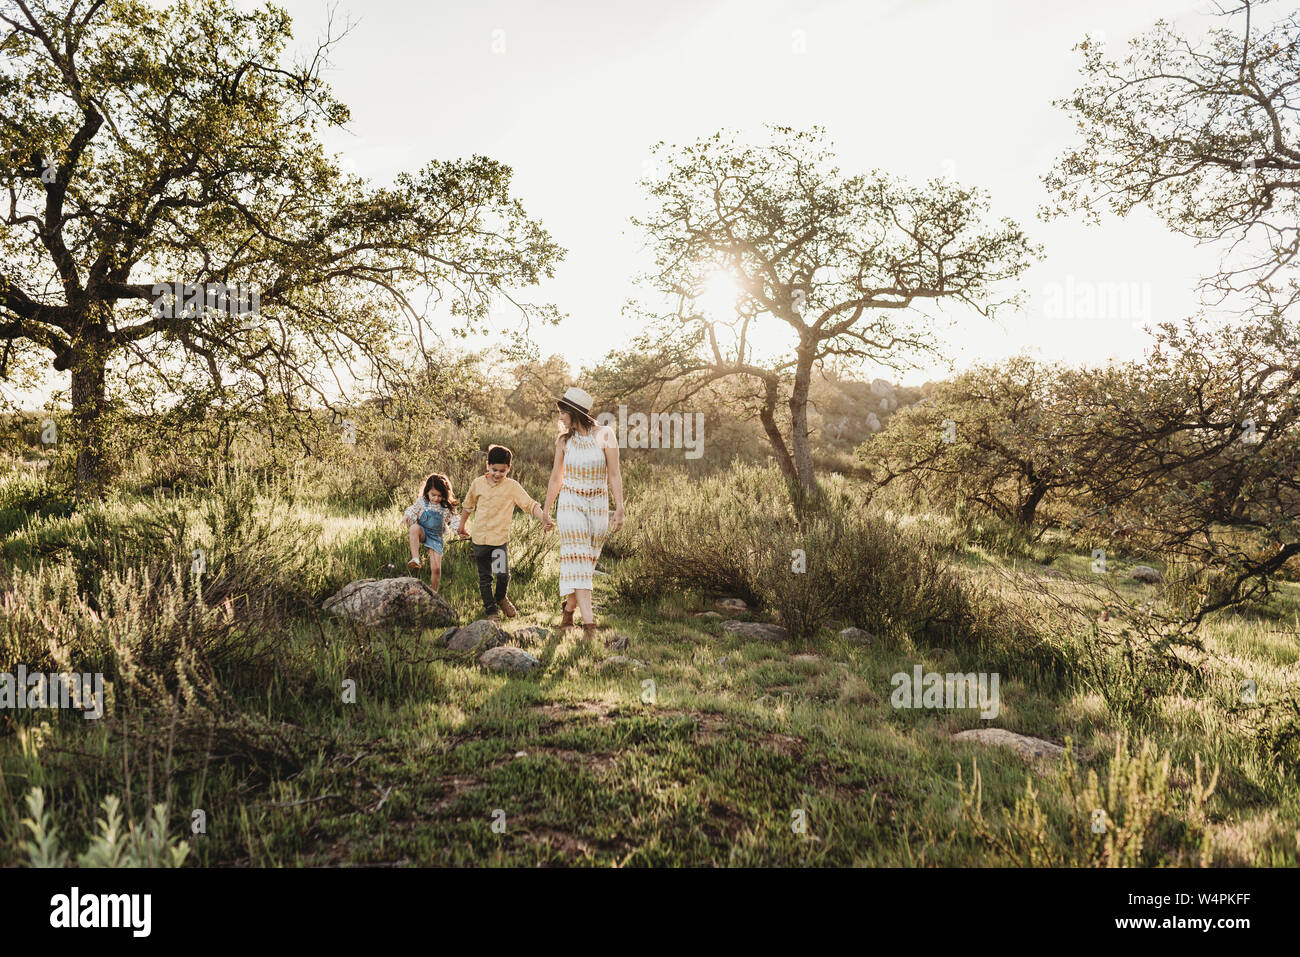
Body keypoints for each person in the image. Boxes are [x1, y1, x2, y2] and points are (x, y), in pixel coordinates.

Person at [544, 386, 625, 640]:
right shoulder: (564, 441)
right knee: (578, 559)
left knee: (584, 563)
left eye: (562, 413)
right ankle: (589, 626)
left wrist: (619, 507)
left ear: (574, 412)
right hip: (570, 503)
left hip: (598, 504)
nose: (560, 418)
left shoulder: (606, 435)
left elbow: (614, 473)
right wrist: (546, 509)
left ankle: (568, 610)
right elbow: (557, 477)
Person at [458, 444, 554, 619]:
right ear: (487, 465)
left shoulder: (512, 487)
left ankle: (501, 598)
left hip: (499, 543)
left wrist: (544, 518)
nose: (497, 474)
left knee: (503, 575)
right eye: (494, 470)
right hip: (480, 541)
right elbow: (468, 505)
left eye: (502, 471)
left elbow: (530, 505)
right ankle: (491, 610)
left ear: (508, 469)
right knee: (485, 578)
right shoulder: (477, 484)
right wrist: (461, 525)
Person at [399, 473, 460, 592]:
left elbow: (455, 520)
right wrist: (406, 517)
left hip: (436, 537)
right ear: (427, 491)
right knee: (414, 528)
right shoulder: (422, 501)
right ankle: (415, 558)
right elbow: (413, 509)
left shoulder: (447, 506)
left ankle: (434, 592)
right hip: (423, 532)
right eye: (433, 495)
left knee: (436, 569)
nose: (436, 498)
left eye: (440, 496)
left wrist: (459, 530)